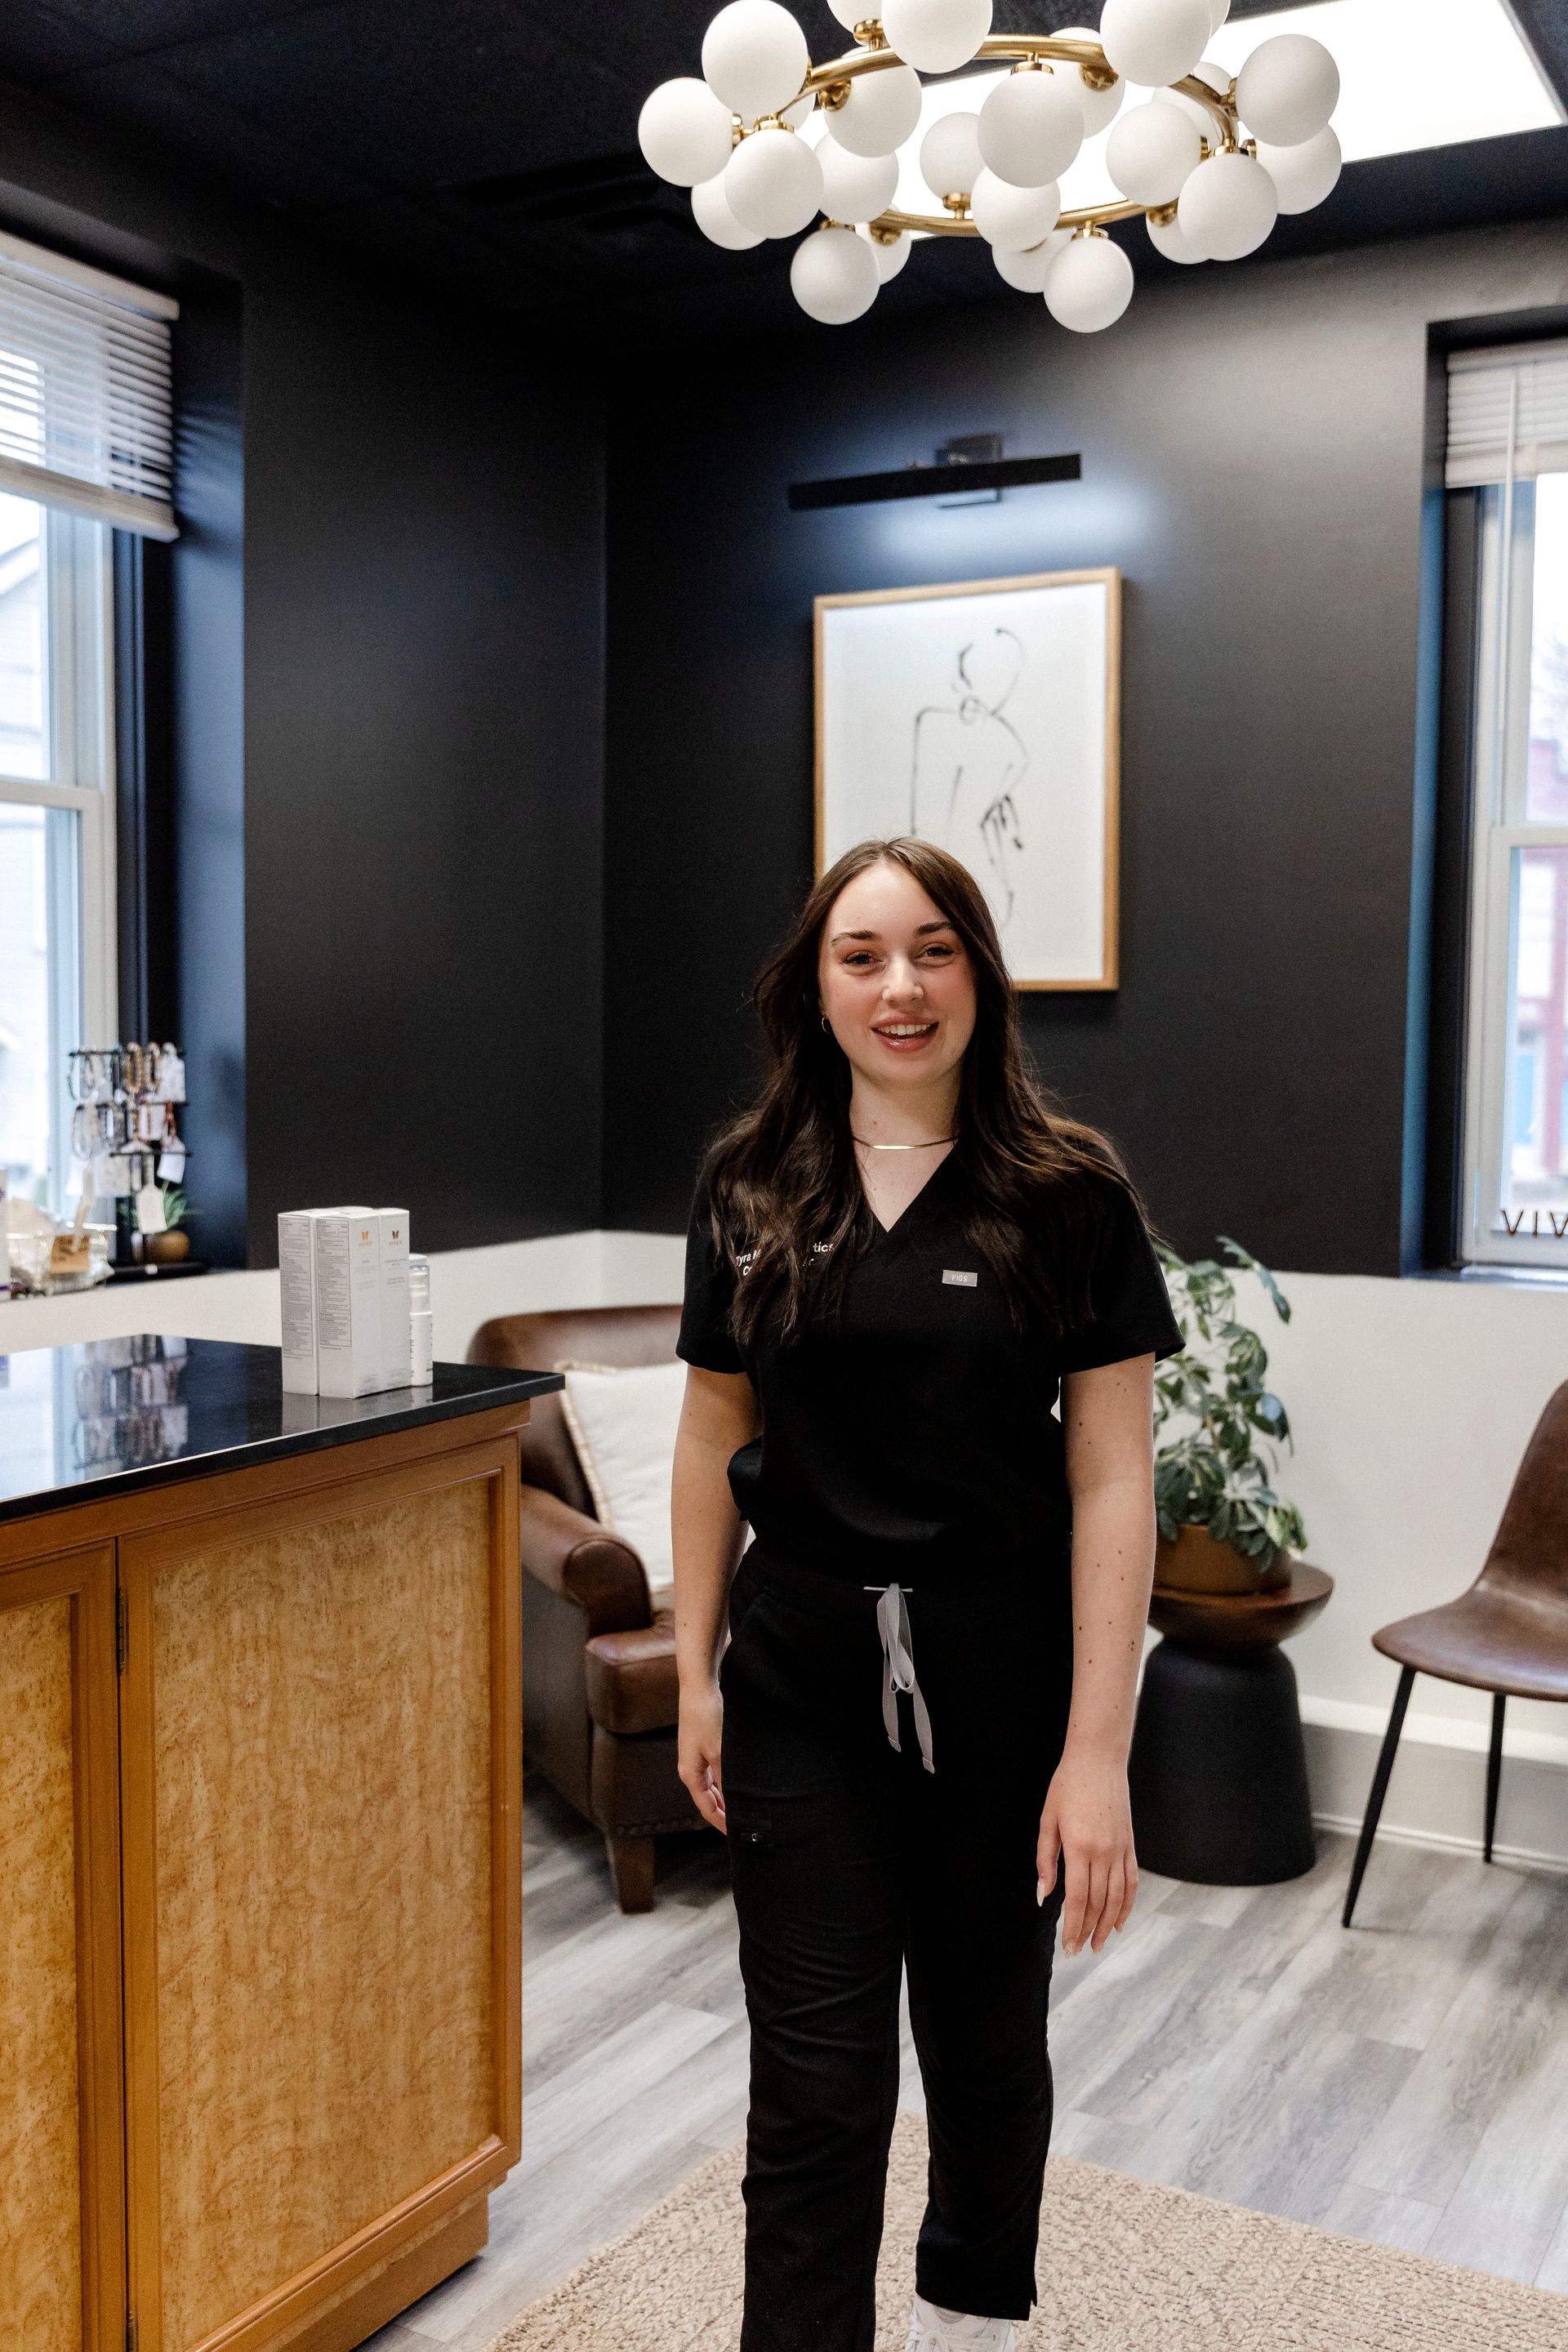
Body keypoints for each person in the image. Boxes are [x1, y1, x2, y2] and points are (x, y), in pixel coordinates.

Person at [670, 835, 1183, 2352]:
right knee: (815, 2090)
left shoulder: (1069, 1195)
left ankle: (971, 2298)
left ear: (980, 978)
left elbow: (1111, 1479)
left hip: (1001, 1689)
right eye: (862, 955)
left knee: (983, 2054)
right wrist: (696, 1670)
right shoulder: (748, 1185)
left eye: (934, 950)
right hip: (801, 1689)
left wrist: (1096, 1754)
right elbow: (713, 1431)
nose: (902, 986)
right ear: (814, 990)